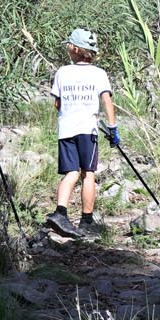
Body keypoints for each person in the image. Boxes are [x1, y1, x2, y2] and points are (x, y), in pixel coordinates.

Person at [46, 28, 120, 237]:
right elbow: (106, 100)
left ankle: (60, 213)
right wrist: (113, 128)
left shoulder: (62, 72)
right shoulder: (98, 74)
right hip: (88, 130)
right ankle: (86, 221)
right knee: (88, 173)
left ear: (75, 49)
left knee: (71, 172)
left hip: (66, 130)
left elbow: (57, 103)